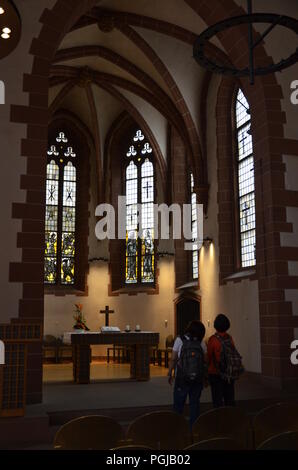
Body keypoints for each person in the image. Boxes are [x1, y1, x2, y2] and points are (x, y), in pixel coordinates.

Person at [168, 320, 207, 428]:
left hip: (182, 378)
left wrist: (170, 373)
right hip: (197, 378)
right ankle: (193, 429)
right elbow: (205, 360)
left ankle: (177, 428)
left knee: (178, 404)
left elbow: (173, 358)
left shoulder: (180, 339)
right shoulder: (201, 342)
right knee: (194, 404)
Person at [207, 314, 243, 408]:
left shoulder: (213, 339)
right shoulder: (229, 338)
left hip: (215, 372)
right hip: (228, 372)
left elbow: (209, 357)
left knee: (217, 399)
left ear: (215, 325)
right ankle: (230, 418)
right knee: (229, 398)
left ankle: (219, 419)